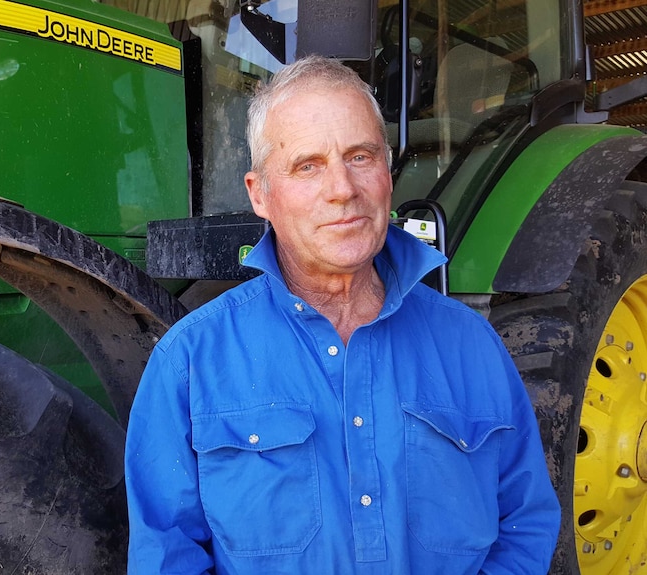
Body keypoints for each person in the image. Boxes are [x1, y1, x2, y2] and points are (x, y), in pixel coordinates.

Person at [124, 55, 560, 574]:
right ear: (259, 194)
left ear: (388, 173)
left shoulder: (472, 345)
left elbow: (525, 522)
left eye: (360, 156)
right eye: (307, 165)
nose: (342, 190)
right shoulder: (190, 361)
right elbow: (165, 557)